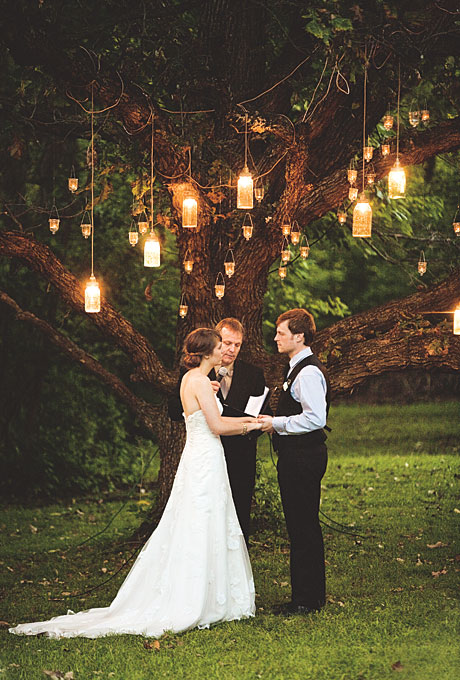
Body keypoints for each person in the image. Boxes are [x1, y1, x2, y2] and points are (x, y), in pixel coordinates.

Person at [9, 328, 262, 639]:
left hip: (202, 457)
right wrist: (254, 423)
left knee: (203, 520)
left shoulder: (192, 379)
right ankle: (196, 598)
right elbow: (217, 425)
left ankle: (210, 592)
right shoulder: (198, 381)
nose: (225, 349)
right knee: (200, 521)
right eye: (220, 345)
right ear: (208, 352)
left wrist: (252, 421)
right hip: (204, 458)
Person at [258, 309, 331, 616]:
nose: (276, 337)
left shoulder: (309, 372)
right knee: (299, 526)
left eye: (281, 333)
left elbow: (316, 418)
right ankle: (306, 595)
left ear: (299, 336)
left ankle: (307, 600)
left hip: (303, 457)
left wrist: (277, 423)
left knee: (303, 527)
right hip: (296, 456)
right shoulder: (296, 368)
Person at [168, 318, 267, 544]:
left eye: (237, 345)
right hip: (207, 454)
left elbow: (260, 409)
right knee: (203, 513)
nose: (230, 350)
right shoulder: (194, 376)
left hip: (240, 455)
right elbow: (177, 411)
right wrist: (203, 396)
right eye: (226, 343)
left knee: (237, 513)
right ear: (213, 346)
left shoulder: (253, 374)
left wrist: (254, 425)